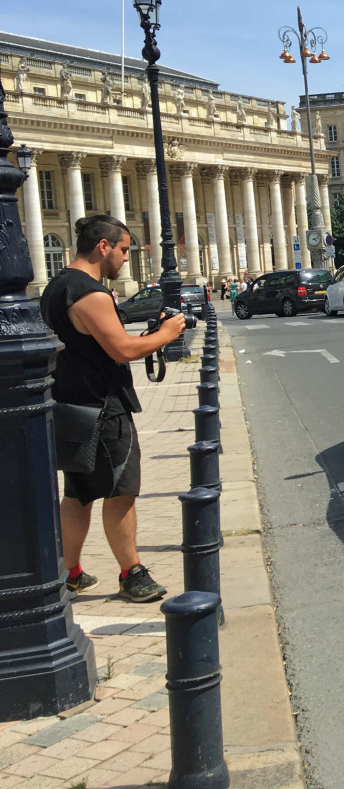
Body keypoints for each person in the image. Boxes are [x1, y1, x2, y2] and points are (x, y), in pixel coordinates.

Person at [40, 214, 187, 603]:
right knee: (120, 491)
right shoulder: (90, 293)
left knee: (79, 494)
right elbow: (121, 350)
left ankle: (69, 572)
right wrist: (167, 335)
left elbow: (101, 345)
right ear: (103, 246)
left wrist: (146, 337)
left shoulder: (55, 288)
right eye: (123, 249)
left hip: (71, 404)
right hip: (104, 409)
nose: (126, 257)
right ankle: (131, 573)